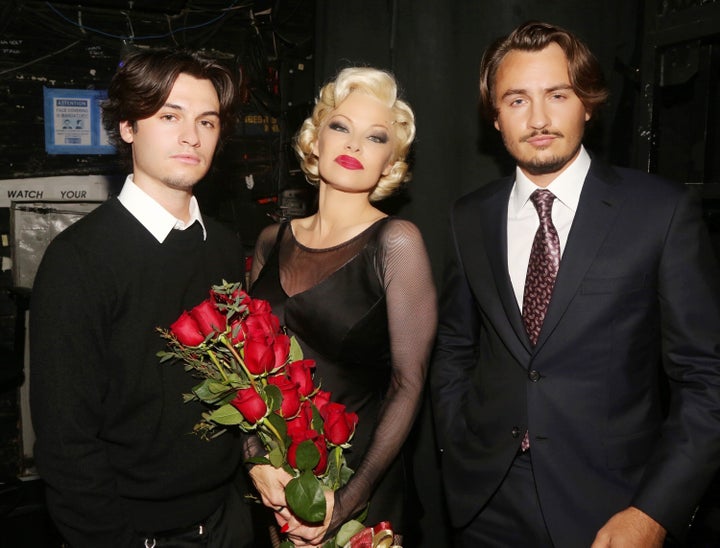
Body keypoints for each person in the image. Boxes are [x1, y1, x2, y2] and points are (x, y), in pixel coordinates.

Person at [431, 20, 720, 548]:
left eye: (557, 95)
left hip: (612, 509)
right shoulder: (468, 217)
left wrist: (654, 512)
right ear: (495, 118)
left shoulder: (661, 211)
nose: (538, 118)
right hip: (485, 503)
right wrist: (457, 448)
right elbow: (454, 348)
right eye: (516, 100)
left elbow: (706, 379)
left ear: (587, 103)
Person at [30, 47, 254, 547]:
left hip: (228, 519)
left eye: (208, 121)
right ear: (128, 126)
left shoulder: (219, 244)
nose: (191, 136)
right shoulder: (79, 260)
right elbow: (67, 448)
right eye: (169, 115)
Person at [247, 66, 437, 547]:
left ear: (389, 164)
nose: (353, 145)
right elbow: (248, 371)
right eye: (340, 127)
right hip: (277, 484)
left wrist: (346, 501)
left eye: (375, 138)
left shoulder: (396, 243)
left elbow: (408, 384)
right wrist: (255, 460)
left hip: (361, 489)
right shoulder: (273, 240)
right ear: (315, 141)